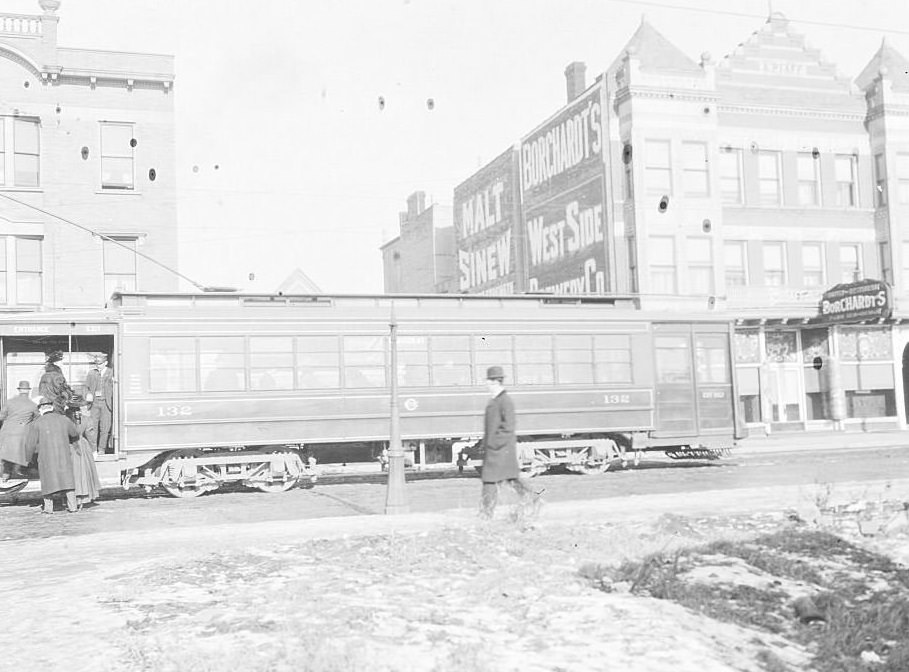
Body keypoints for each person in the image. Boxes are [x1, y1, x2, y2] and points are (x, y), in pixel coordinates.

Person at [477, 365, 542, 521]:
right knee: (510, 479)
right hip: (497, 450)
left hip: (500, 450)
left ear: (495, 382)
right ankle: (533, 499)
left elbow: (509, 428)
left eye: (489, 381)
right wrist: (485, 443)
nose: (487, 384)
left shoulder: (505, 401)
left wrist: (493, 443)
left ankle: (486, 515)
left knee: (490, 480)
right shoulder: (497, 400)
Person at [23, 398, 80, 514]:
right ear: (52, 407)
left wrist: (28, 459)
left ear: (40, 409)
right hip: (63, 457)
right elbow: (74, 433)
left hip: (46, 459)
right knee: (68, 481)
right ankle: (73, 506)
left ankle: (49, 508)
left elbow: (30, 444)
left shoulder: (36, 423)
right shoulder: (64, 419)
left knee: (48, 482)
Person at [0, 381, 37, 486]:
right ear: (28, 391)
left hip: (7, 432)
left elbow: (1, 416)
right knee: (21, 455)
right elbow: (36, 419)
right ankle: (20, 473)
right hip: (21, 433)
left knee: (7, 456)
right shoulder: (33, 405)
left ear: (19, 390)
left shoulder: (9, 402)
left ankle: (5, 477)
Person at [84, 352, 113, 454]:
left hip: (107, 404)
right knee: (93, 427)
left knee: (105, 428)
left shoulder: (111, 373)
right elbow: (86, 387)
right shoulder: (91, 373)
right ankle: (93, 449)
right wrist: (87, 394)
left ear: (106, 363)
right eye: (97, 364)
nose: (98, 366)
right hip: (94, 404)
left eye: (100, 364)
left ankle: (101, 449)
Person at [71, 416, 101, 508]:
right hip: (82, 446)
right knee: (84, 472)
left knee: (73, 473)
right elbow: (90, 435)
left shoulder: (64, 418)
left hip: (69, 446)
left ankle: (72, 498)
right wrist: (94, 449)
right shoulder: (86, 419)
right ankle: (85, 497)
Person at [39, 351, 73, 415]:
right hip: (56, 405)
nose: (62, 364)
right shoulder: (58, 376)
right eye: (61, 362)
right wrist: (69, 395)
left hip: (45, 405)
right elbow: (63, 391)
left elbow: (41, 392)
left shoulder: (44, 376)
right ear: (56, 363)